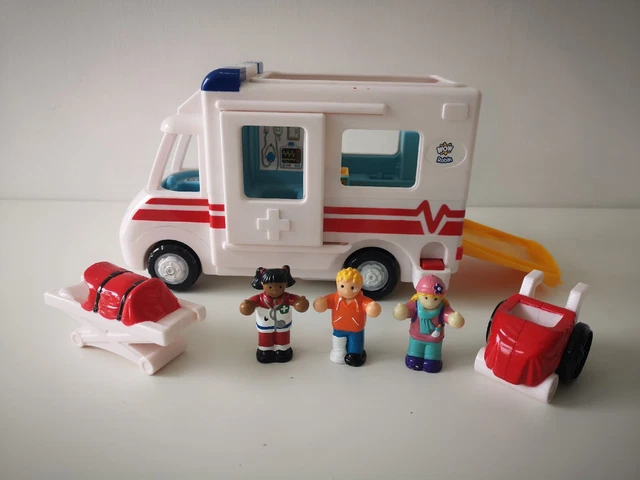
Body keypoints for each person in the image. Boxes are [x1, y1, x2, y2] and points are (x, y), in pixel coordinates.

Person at [392, 275, 465, 373]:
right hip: (416, 338)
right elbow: (405, 311)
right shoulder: (415, 305)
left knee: (431, 363)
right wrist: (401, 311)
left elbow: (449, 316)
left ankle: (431, 360)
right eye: (426, 298)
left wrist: (454, 318)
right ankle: (415, 357)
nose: (430, 302)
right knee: (414, 360)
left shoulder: (443, 308)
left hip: (434, 341)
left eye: (435, 299)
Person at [239, 265, 309, 363]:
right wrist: (247, 306)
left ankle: (283, 350)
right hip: (265, 325)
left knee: (283, 338)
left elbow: (298, 303)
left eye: (280, 286)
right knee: (265, 339)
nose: (275, 290)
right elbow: (248, 306)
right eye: (270, 287)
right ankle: (265, 350)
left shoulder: (287, 298)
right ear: (262, 284)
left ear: (285, 284)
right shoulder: (260, 299)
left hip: (283, 325)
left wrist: (300, 303)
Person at [313, 267, 381, 367]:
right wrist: (320, 303)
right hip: (338, 328)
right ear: (337, 284)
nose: (347, 291)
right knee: (339, 349)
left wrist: (372, 308)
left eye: (352, 288)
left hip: (355, 330)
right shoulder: (334, 298)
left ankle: (355, 354)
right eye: (342, 286)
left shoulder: (362, 300)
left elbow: (371, 308)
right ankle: (339, 353)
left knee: (355, 350)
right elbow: (323, 305)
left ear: (360, 286)